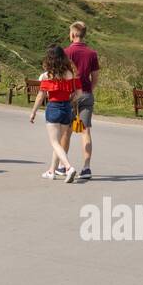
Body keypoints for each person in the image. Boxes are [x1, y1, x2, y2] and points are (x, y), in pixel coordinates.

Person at [30, 44, 80, 183]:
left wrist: (33, 112)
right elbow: (78, 93)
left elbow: (41, 96)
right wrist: (71, 100)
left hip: (53, 107)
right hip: (66, 108)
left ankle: (68, 167)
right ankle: (52, 171)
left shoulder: (47, 76)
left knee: (54, 142)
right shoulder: (69, 74)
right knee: (58, 143)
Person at [62, 21, 99, 180]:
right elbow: (95, 77)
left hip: (70, 95)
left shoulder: (66, 52)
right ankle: (86, 167)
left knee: (67, 131)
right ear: (83, 34)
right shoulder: (92, 53)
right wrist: (89, 89)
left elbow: (62, 75)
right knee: (86, 131)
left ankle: (64, 166)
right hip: (86, 93)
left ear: (72, 34)